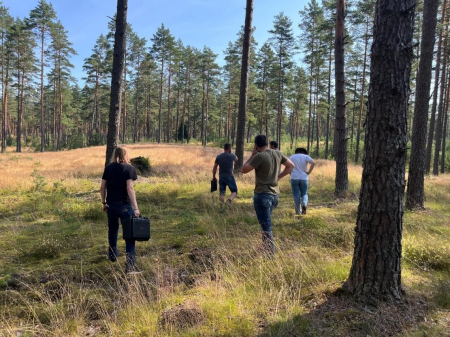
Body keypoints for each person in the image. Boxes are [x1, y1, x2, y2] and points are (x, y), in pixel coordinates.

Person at [242, 135, 294, 254]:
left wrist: (252, 155)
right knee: (266, 222)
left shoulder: (259, 156)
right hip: (275, 195)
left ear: (256, 145)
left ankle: (270, 252)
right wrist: (278, 177)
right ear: (267, 143)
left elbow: (243, 170)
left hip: (262, 195)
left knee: (266, 225)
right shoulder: (277, 153)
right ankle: (265, 247)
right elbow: (291, 166)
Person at [100, 146, 141, 274]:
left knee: (112, 230)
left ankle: (112, 255)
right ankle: (130, 267)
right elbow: (130, 188)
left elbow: (102, 187)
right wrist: (136, 207)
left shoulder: (108, 168)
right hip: (125, 206)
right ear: (125, 155)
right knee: (129, 235)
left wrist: (104, 202)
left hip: (111, 205)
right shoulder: (129, 168)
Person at [289, 148, 315, 215]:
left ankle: (298, 212)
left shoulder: (292, 157)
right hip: (304, 178)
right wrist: (309, 172)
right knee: (304, 193)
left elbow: (288, 166)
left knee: (296, 195)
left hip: (294, 177)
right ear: (304, 152)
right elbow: (313, 162)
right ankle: (304, 204)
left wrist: (290, 173)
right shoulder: (306, 156)